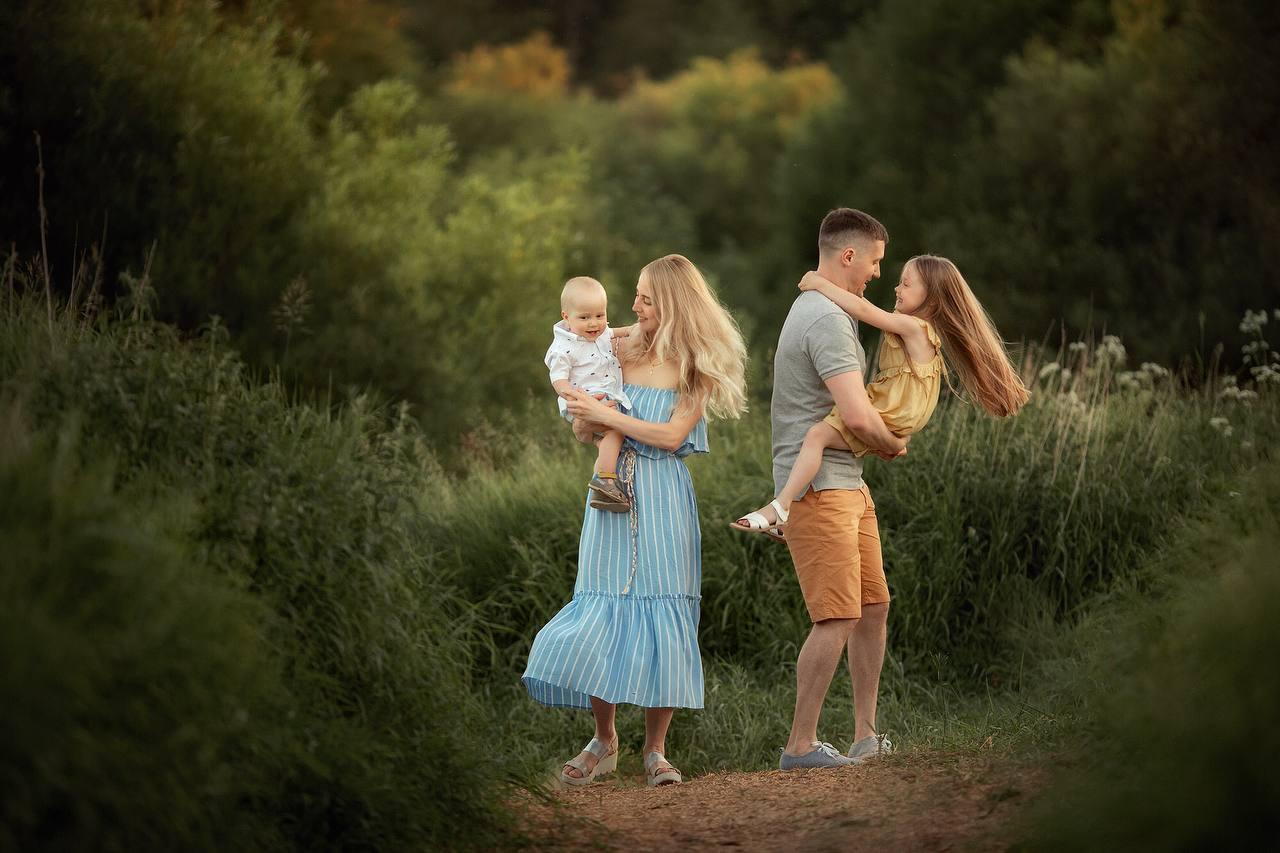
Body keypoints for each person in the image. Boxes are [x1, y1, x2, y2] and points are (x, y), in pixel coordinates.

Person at [522, 254, 748, 787]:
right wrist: (588, 417)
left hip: (665, 492)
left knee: (665, 607)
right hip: (611, 488)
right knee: (603, 602)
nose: (633, 304)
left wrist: (609, 417)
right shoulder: (616, 345)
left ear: (669, 303)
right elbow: (580, 393)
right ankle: (604, 740)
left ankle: (655, 750)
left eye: (645, 296)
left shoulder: (697, 362)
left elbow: (672, 437)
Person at [731, 254, 1029, 539]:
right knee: (828, 435)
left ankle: (781, 507)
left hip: (895, 407)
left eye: (907, 284)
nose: (897, 288)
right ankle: (786, 510)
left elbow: (865, 311)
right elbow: (861, 303)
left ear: (933, 298)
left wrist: (821, 284)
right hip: (901, 409)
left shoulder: (915, 327)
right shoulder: (916, 328)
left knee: (817, 436)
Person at [545, 276, 634, 512]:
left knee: (609, 437)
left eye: (599, 315)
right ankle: (604, 479)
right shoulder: (564, 346)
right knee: (616, 430)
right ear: (567, 317)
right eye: (584, 318)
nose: (594, 323)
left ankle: (603, 487)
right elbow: (558, 378)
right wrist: (573, 396)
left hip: (601, 398)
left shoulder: (600, 333)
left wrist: (639, 330)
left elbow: (619, 332)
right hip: (586, 400)